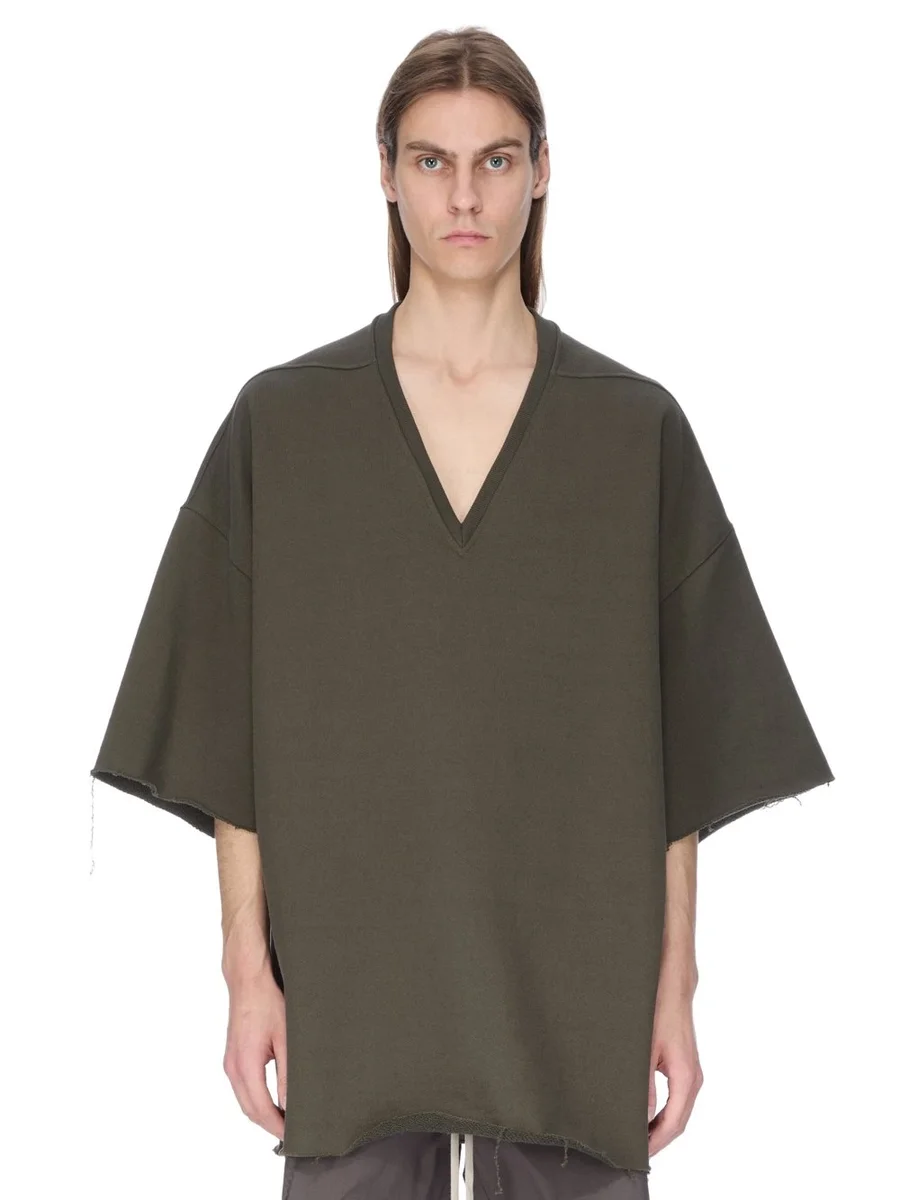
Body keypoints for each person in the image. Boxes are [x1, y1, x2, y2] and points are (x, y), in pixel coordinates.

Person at [89, 25, 834, 1200]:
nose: (466, 196)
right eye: (432, 161)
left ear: (543, 170)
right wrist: (245, 973)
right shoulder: (286, 426)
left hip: (571, 1008)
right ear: (386, 174)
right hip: (354, 1006)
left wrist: (676, 984)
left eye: (496, 159)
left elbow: (682, 751)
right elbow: (227, 728)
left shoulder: (632, 432)